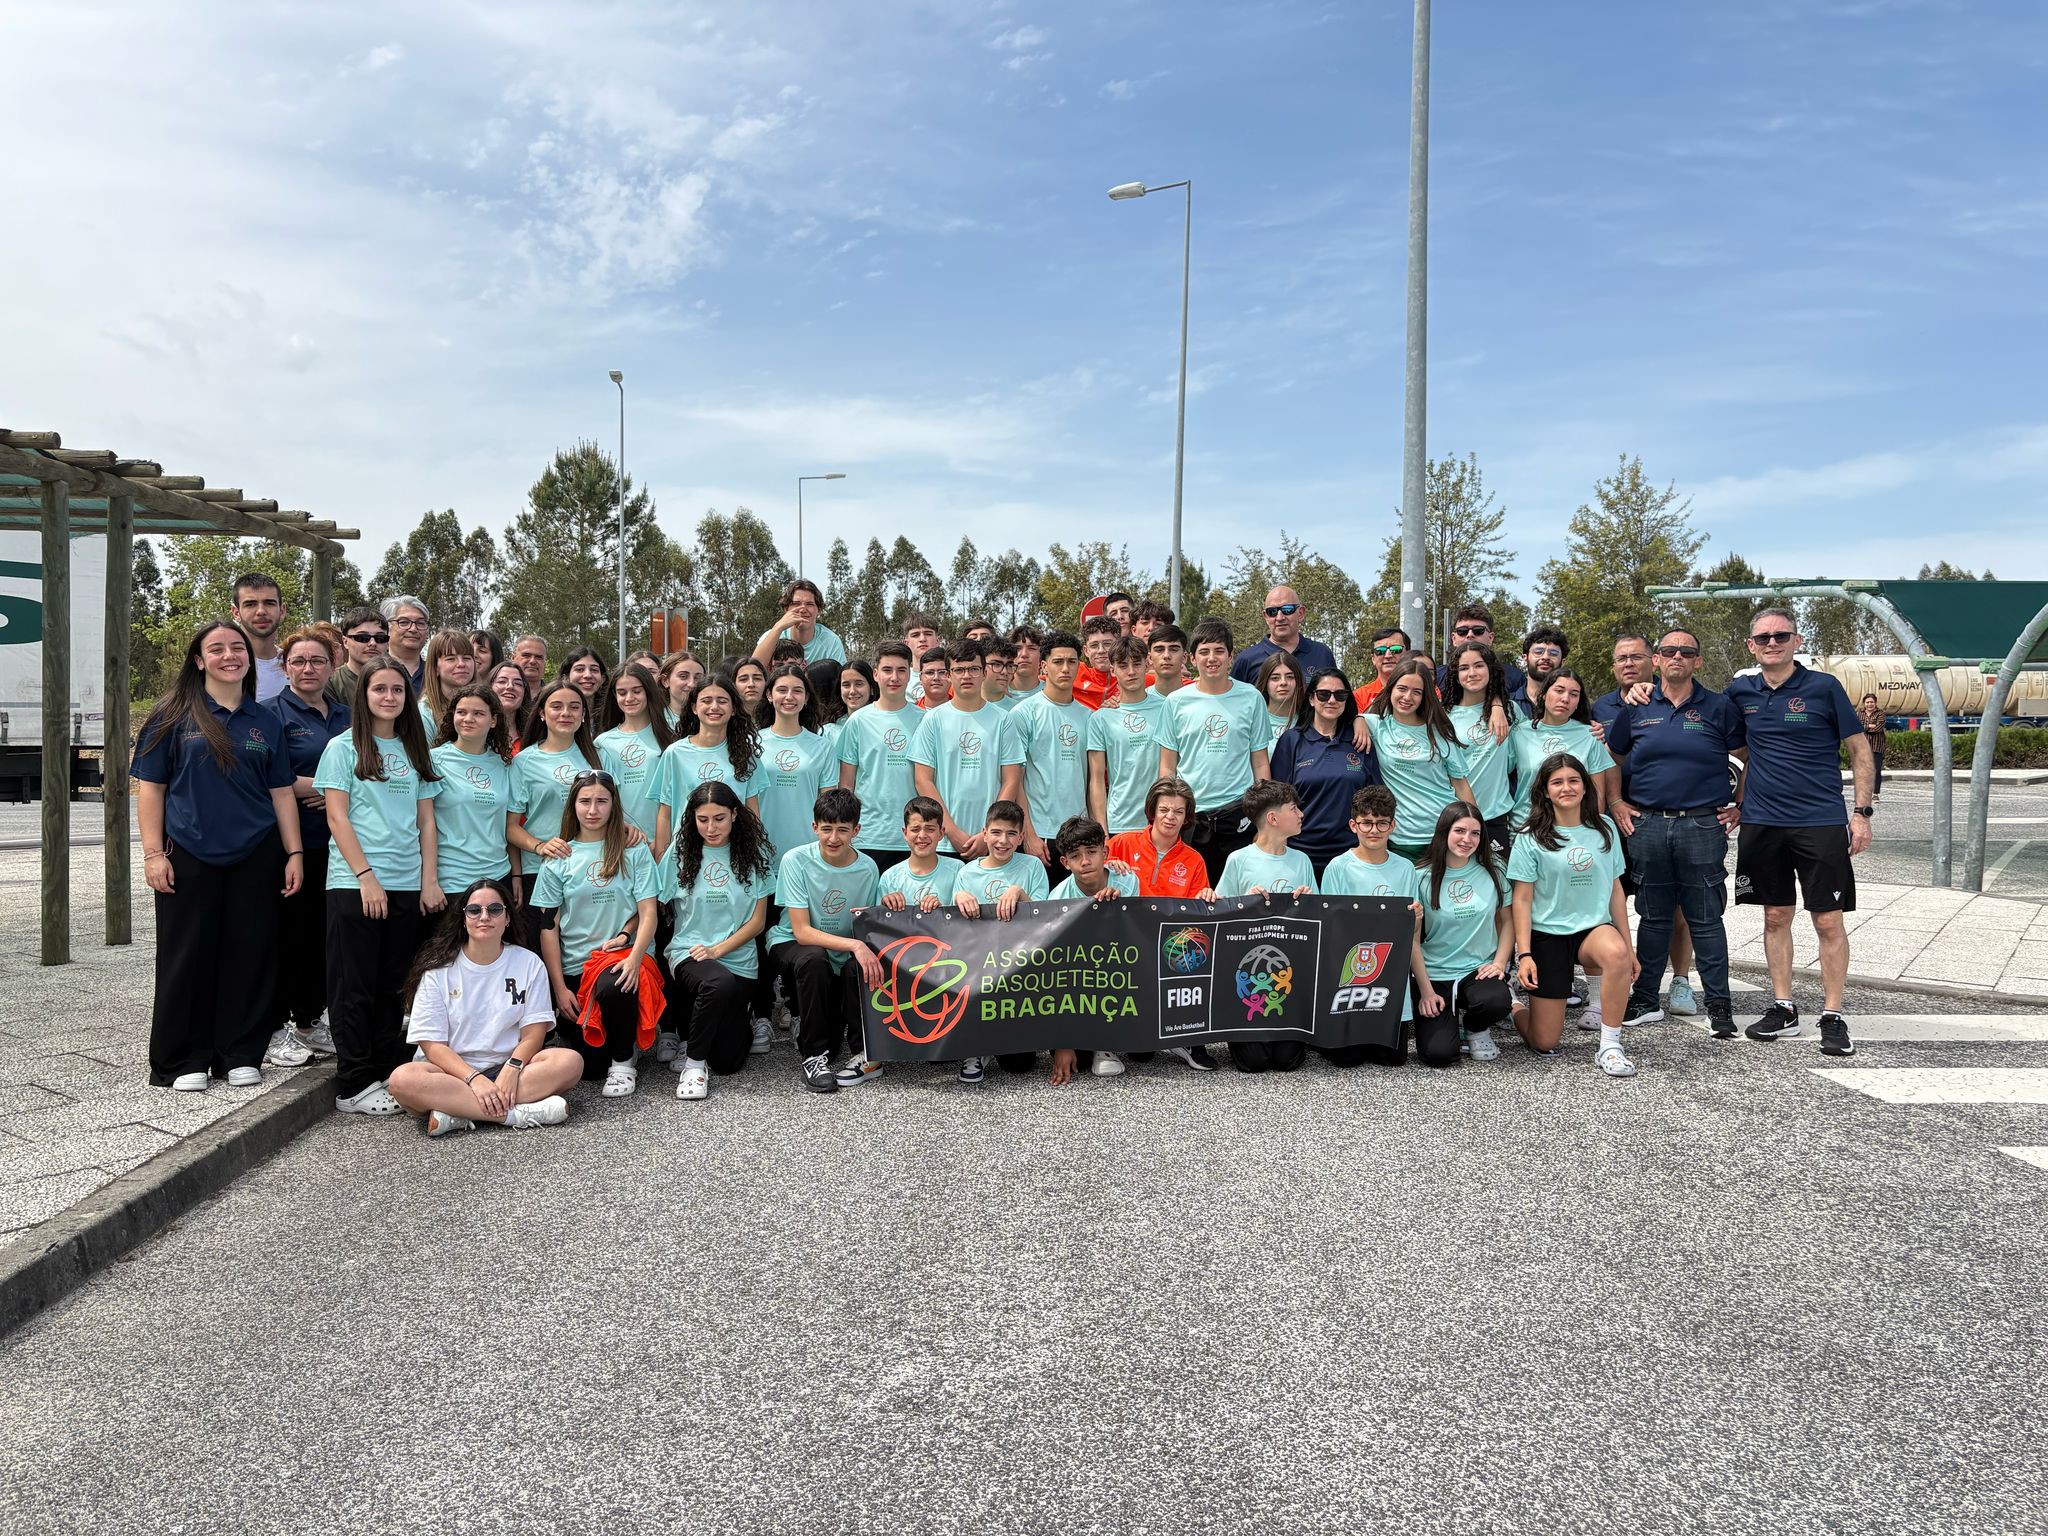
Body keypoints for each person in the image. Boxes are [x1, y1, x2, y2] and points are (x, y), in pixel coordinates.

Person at [134, 621, 303, 1092]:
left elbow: (282, 793)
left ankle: (240, 1052)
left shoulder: (265, 719)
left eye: (238, 648)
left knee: (249, 953)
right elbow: (151, 790)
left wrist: (293, 852)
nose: (231, 655)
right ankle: (182, 1058)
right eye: (217, 649)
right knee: (187, 955)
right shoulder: (171, 716)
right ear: (199, 660)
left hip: (256, 852)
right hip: (187, 851)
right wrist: (152, 854)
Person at [1727, 607, 1873, 1056]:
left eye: (1781, 635)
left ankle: (1832, 1014)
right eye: (1764, 638)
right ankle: (1784, 1006)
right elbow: (1732, 744)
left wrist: (1862, 812)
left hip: (1820, 821)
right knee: (1775, 916)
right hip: (1763, 822)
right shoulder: (1740, 692)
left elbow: (1859, 749)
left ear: (1797, 640)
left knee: (1827, 919)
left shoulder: (1823, 687)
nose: (1773, 643)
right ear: (1751, 645)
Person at [315, 660, 445, 1115]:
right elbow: (337, 817)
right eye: (379, 690)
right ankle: (354, 1083)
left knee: (394, 984)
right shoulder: (342, 747)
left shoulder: (414, 749)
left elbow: (426, 821)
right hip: (356, 884)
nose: (389, 697)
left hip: (408, 884)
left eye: (397, 690)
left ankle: (388, 1072)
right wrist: (366, 878)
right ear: (363, 696)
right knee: (354, 985)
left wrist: (429, 880)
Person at [1607, 627, 1747, 1040]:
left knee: (1705, 917)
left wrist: (1741, 802)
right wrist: (1616, 801)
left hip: (1702, 824)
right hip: (1647, 823)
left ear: (1697, 661)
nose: (1677, 657)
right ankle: (1646, 998)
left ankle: (1719, 1005)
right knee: (1652, 917)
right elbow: (1611, 757)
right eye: (1669, 651)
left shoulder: (1719, 707)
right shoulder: (1637, 707)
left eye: (1686, 652)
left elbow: (1746, 754)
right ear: (1657, 660)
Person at [387, 878, 580, 1135]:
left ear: (507, 918)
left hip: (508, 1069)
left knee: (570, 1062)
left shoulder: (529, 963)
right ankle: (513, 1115)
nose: (484, 917)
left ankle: (457, 1112)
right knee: (402, 1080)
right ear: (463, 918)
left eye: (495, 909)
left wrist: (512, 1068)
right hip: (451, 1073)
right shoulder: (437, 969)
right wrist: (474, 1078)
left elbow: (533, 1035)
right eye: (474, 910)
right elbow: (432, 1046)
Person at [1508, 754, 1637, 1078]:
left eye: (1573, 780)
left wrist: (1629, 949)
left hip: (1591, 928)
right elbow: (1521, 901)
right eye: (1557, 782)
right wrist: (1524, 955)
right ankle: (1514, 1006)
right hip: (1547, 933)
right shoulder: (1530, 837)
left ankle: (1610, 1046)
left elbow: (1616, 890)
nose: (1566, 788)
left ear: (1585, 787)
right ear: (1545, 791)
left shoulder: (1605, 827)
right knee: (1544, 1041)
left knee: (1617, 953)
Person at [534, 771, 661, 1098]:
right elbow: (547, 928)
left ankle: (623, 1061)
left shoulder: (634, 850)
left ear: (613, 804)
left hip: (621, 958)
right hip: (577, 966)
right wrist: (560, 988)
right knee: (589, 1068)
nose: (593, 809)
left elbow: (649, 913)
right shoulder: (559, 857)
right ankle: (618, 1042)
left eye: (601, 801)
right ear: (573, 806)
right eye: (585, 801)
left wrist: (635, 958)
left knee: (616, 984)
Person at [263, 627, 350, 1066]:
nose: (308, 668)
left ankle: (310, 1021)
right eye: (298, 661)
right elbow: (269, 774)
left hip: (342, 844)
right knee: (287, 936)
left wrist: (333, 792)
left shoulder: (347, 715)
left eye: (317, 661)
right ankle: (276, 1026)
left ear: (333, 665)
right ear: (285, 667)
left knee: (323, 937)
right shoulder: (270, 714)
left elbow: (367, 768)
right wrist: (330, 787)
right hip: (291, 844)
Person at [764, 787, 884, 1094]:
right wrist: (855, 946)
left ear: (856, 830)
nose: (833, 838)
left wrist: (858, 946)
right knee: (814, 958)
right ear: (814, 826)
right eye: (827, 829)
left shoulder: (868, 868)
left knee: (837, 1035)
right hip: (794, 942)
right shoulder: (795, 860)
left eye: (843, 830)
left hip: (840, 948)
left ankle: (860, 1046)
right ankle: (813, 1057)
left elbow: (866, 925)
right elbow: (802, 931)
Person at [659, 782, 773, 1100]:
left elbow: (758, 922)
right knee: (716, 983)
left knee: (727, 1061)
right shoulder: (680, 854)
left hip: (738, 961)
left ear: (735, 815)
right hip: (690, 953)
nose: (711, 827)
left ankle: (713, 1032)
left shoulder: (752, 855)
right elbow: (653, 903)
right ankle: (694, 1066)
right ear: (692, 819)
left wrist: (718, 949)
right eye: (703, 819)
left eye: (719, 818)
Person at [1317, 785, 1439, 1068]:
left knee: (1392, 1058)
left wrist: (1427, 988)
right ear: (1353, 825)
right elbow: (1332, 931)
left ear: (1392, 825)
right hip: (1351, 972)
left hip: (1390, 975)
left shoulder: (1405, 868)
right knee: (1346, 1058)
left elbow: (1412, 938)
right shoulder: (1339, 867)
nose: (1374, 830)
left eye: (1382, 823)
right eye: (1367, 823)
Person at [1212, 780, 1316, 1074]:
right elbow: (1220, 912)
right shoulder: (1239, 860)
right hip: (1248, 975)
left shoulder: (1302, 860)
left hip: (1289, 975)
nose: (1301, 815)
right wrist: (1244, 902)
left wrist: (1310, 901)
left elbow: (1319, 919)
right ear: (1273, 819)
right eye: (1294, 809)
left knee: (1287, 1062)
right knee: (1253, 1063)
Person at [1159, 619, 1272, 882]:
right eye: (1204, 651)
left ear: (1231, 657)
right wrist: (1169, 811)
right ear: (1192, 658)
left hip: (1239, 813)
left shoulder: (1251, 698)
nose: (1212, 658)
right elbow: (1167, 767)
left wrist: (1263, 817)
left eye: (1219, 651)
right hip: (1191, 816)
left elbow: (1260, 763)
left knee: (1240, 895)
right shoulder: (1176, 702)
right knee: (1193, 896)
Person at [952, 799, 1053, 1083]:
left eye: (1011, 834)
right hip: (977, 960)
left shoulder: (1032, 867)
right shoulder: (967, 872)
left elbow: (1044, 920)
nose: (1002, 841)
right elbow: (953, 928)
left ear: (1021, 837)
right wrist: (957, 897)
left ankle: (1005, 1038)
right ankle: (976, 1047)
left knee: (1020, 1065)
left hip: (1017, 961)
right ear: (984, 833)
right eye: (996, 832)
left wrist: (1020, 894)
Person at [1414, 801, 1522, 1064]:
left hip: (1477, 968)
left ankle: (1475, 1027)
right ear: (1444, 832)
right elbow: (1412, 942)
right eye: (1460, 831)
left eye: (1475, 833)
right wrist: (1426, 991)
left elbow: (1507, 921)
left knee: (1496, 1001)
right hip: (1435, 973)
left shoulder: (1494, 869)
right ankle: (1450, 1023)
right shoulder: (1420, 876)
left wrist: (1499, 963)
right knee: (1438, 1055)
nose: (1467, 839)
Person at [911, 639, 1024, 859]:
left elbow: (1011, 779)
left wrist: (989, 832)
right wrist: (951, 831)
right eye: (959, 670)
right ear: (948, 675)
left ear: (983, 672)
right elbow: (923, 780)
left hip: (993, 843)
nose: (966, 676)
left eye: (973, 669)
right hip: (944, 841)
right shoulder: (933, 720)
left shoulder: (1003, 720)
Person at [1045, 815, 1137, 1083]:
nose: (1085, 861)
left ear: (1105, 852)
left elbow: (1136, 941)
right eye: (1075, 855)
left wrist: (1117, 910)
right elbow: (1056, 971)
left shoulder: (1128, 882)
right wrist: (1063, 1043)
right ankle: (1081, 1040)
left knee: (1144, 1053)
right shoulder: (1057, 899)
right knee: (1076, 1057)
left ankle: (1105, 1043)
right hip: (1076, 980)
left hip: (1117, 972)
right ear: (1065, 862)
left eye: (1092, 852)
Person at [1269, 667, 1382, 878]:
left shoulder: (1359, 740)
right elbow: (1276, 799)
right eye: (1324, 694)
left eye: (1340, 695)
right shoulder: (1292, 741)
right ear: (1311, 699)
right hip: (1300, 852)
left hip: (1351, 852)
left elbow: (1375, 797)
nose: (1332, 700)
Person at [428, 685, 526, 917]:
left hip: (497, 877)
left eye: (478, 713)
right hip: (450, 880)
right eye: (461, 712)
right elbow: (424, 824)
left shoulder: (504, 765)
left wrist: (516, 874)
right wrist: (429, 881)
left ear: (493, 721)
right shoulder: (433, 761)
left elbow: (507, 825)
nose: (468, 719)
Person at [1003, 629, 1093, 876]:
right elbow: (1015, 779)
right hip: (1040, 835)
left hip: (1079, 832)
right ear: (1044, 666)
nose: (1065, 668)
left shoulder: (1088, 716)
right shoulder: (1023, 714)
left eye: (1071, 661)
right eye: (1058, 662)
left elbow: (1092, 780)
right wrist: (1028, 834)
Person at [1364, 658, 1472, 859]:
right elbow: (1352, 717)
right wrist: (1358, 720)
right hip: (1400, 839)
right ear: (1391, 688)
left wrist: (1475, 829)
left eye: (1417, 692)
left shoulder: (1439, 731)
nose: (1407, 697)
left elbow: (1461, 785)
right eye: (1402, 688)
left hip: (1443, 833)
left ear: (1425, 696)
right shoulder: (1376, 726)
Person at [654, 674, 762, 859]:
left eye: (722, 701)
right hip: (686, 854)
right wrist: (661, 858)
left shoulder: (747, 754)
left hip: (734, 854)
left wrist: (754, 854)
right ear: (695, 708)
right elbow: (665, 813)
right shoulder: (675, 754)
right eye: (706, 700)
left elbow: (752, 812)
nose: (714, 707)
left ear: (734, 708)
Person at [837, 641, 917, 874]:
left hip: (914, 836)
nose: (894, 677)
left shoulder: (926, 719)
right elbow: (846, 784)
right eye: (887, 670)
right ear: (875, 674)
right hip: (869, 836)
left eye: (902, 670)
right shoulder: (858, 721)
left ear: (910, 674)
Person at [1087, 636, 1179, 836]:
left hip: (1160, 822)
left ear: (1147, 664)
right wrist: (1102, 828)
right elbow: (1096, 780)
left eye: (1137, 664)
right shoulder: (1100, 718)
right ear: (1113, 670)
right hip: (1118, 822)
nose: (1131, 672)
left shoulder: (1167, 708)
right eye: (1123, 665)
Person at [753, 662, 841, 863]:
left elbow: (827, 804)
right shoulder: (752, 743)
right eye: (782, 690)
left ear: (807, 698)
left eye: (797, 691)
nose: (789, 697)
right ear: (769, 695)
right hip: (760, 852)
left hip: (807, 853)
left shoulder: (823, 747)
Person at [1507, 669, 1620, 823]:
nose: (1565, 698)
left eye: (1574, 694)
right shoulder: (1519, 733)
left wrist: (1590, 830)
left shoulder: (1590, 734)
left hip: (1574, 830)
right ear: (1544, 694)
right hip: (1527, 827)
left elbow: (1597, 795)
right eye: (1559, 691)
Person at [1441, 643, 1517, 850]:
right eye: (1464, 668)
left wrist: (1497, 703)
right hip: (1453, 817)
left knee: (1497, 882)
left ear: (1490, 669)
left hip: (1495, 817)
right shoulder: (1443, 716)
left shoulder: (1511, 711)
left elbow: (1541, 733)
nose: (1472, 673)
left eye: (1479, 665)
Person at [594, 662, 676, 845]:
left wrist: (662, 841)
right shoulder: (603, 743)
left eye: (637, 691)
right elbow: (601, 796)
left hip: (666, 841)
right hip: (622, 841)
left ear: (648, 691)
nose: (629, 698)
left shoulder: (671, 736)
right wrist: (622, 828)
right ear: (615, 696)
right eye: (622, 692)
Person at [1230, 584, 1338, 684]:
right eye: (1272, 612)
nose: (1280, 618)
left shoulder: (1321, 654)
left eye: (1287, 610)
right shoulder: (1247, 660)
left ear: (1300, 613)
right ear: (1266, 617)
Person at [879, 796, 966, 913]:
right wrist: (886, 904)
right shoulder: (889, 878)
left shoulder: (958, 870)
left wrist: (942, 912)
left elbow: (964, 920)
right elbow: (879, 922)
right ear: (905, 833)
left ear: (941, 833)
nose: (922, 835)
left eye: (930, 829)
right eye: (915, 829)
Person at [1438, 605, 1527, 698]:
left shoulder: (1515, 677)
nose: (1470, 635)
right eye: (1462, 631)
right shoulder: (1437, 676)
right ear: (1454, 638)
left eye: (1478, 630)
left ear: (1490, 638)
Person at [755, 578, 849, 666]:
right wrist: (778, 627)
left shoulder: (831, 641)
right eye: (796, 604)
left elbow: (839, 679)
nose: (802, 609)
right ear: (786, 609)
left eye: (809, 604)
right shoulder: (773, 635)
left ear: (819, 610)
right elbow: (754, 669)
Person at [231, 573, 289, 701]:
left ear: (282, 611)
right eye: (250, 604)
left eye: (269, 603)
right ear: (236, 613)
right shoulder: (224, 665)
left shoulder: (297, 665)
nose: (261, 611)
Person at [419, 629, 477, 733]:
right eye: (451, 659)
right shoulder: (424, 713)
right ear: (435, 667)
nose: (461, 664)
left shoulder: (485, 706)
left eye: (466, 658)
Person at [1512, 627, 1570, 719]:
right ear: (1525, 658)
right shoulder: (1505, 704)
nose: (1546, 657)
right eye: (1538, 652)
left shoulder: (1571, 705)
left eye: (1553, 653)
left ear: (1563, 662)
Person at [1255, 651, 1307, 751]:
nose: (1283, 682)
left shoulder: (1309, 721)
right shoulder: (1252, 720)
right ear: (1265, 683)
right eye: (1275, 678)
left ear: (1298, 681)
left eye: (1290, 677)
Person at [334, 605, 387, 702]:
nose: (372, 643)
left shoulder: (398, 679)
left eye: (380, 638)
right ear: (345, 642)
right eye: (363, 638)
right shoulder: (331, 682)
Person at [1350, 627, 1409, 712]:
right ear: (1373, 659)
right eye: (1380, 651)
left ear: (1408, 654)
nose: (1388, 655)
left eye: (1396, 649)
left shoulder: (1425, 691)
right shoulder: (1359, 696)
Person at [381, 596, 432, 691]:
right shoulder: (372, 670)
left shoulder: (435, 673)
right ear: (387, 628)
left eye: (420, 623)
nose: (413, 629)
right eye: (404, 622)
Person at [1075, 615, 1121, 711]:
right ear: (1086, 651)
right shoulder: (1074, 672)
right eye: (1094, 645)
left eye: (1107, 644)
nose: (1101, 650)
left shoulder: (1136, 676)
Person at [901, 612, 944, 702]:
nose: (922, 639)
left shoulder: (952, 675)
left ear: (938, 640)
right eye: (915, 635)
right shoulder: (899, 678)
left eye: (928, 634)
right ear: (906, 643)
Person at [659, 651, 707, 729]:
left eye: (698, 678)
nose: (691, 684)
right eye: (683, 676)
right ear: (665, 681)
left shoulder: (711, 719)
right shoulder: (654, 721)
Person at [487, 662, 531, 743]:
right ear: (489, 687)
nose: (510, 686)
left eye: (518, 683)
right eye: (502, 681)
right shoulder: (476, 732)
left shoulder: (534, 735)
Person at [558, 646, 609, 711]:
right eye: (579, 669)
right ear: (565, 678)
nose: (588, 675)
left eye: (594, 670)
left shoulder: (613, 714)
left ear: (602, 679)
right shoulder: (553, 714)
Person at [1147, 624, 1190, 698]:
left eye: (1173, 650)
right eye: (1159, 650)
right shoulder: (1138, 702)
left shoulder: (1198, 700)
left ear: (1184, 657)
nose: (1166, 655)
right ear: (1150, 658)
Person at [979, 637, 1018, 713]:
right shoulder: (963, 708)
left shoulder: (1019, 711)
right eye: (997, 664)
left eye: (1009, 666)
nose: (1005, 671)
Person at [1860, 693, 1887, 805]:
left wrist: (1865, 726)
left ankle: (1875, 794)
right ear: (1864, 703)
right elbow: (1857, 726)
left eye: (1871, 702)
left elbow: (1878, 728)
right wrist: (1869, 725)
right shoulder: (1859, 713)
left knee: (1876, 771)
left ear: (1875, 703)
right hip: (1863, 746)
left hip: (1877, 746)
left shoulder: (1880, 713)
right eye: (1867, 702)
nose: (1869, 704)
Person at [1007, 625, 1044, 702]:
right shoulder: (997, 694)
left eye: (1032, 648)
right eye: (1017, 649)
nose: (1024, 654)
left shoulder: (1053, 693)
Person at [913, 647, 952, 712]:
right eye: (929, 672)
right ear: (920, 678)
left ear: (951, 675)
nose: (936, 678)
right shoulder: (911, 714)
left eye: (942, 672)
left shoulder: (966, 711)